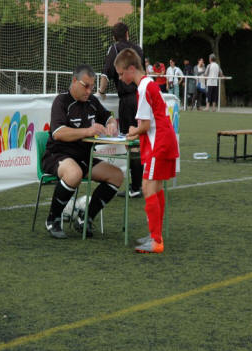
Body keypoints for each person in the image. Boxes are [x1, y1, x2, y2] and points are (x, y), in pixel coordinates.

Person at [42, 64, 123, 239]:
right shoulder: (61, 101)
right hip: (58, 155)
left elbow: (108, 116)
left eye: (92, 87)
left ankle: (85, 218)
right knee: (74, 174)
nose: (89, 90)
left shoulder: (92, 102)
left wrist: (111, 124)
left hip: (85, 157)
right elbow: (58, 133)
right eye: (85, 86)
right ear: (74, 81)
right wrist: (88, 131)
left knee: (117, 176)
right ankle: (53, 219)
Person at [114, 48, 179, 254]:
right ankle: (155, 236)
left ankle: (156, 241)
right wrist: (134, 133)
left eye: (120, 73)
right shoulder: (149, 84)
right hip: (164, 139)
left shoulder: (143, 88)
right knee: (156, 187)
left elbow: (144, 125)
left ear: (131, 69)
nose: (119, 77)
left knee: (147, 187)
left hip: (158, 142)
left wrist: (131, 132)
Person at [98, 22, 144, 199]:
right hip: (140, 96)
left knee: (130, 141)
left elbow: (105, 75)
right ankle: (141, 184)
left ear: (113, 37)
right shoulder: (138, 49)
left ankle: (136, 187)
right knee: (139, 140)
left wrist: (100, 93)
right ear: (127, 33)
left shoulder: (114, 49)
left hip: (127, 100)